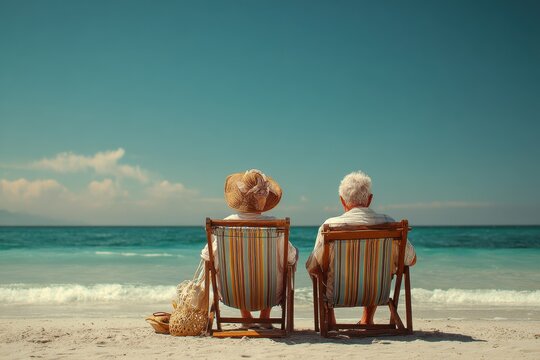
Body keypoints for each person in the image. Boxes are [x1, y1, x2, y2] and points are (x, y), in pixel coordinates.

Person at [306, 170, 416, 326]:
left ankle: (330, 320)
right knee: (380, 265)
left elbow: (312, 265)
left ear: (342, 201)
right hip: (378, 294)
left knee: (315, 268)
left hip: (338, 295)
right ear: (370, 199)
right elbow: (411, 260)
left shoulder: (329, 226)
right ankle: (367, 320)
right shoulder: (390, 224)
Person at [201, 169, 298, 328]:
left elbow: (207, 256)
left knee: (230, 265)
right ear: (264, 199)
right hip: (269, 295)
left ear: (240, 199)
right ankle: (265, 318)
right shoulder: (274, 226)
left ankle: (246, 317)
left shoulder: (225, 225)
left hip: (233, 295)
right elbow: (290, 258)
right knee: (286, 260)